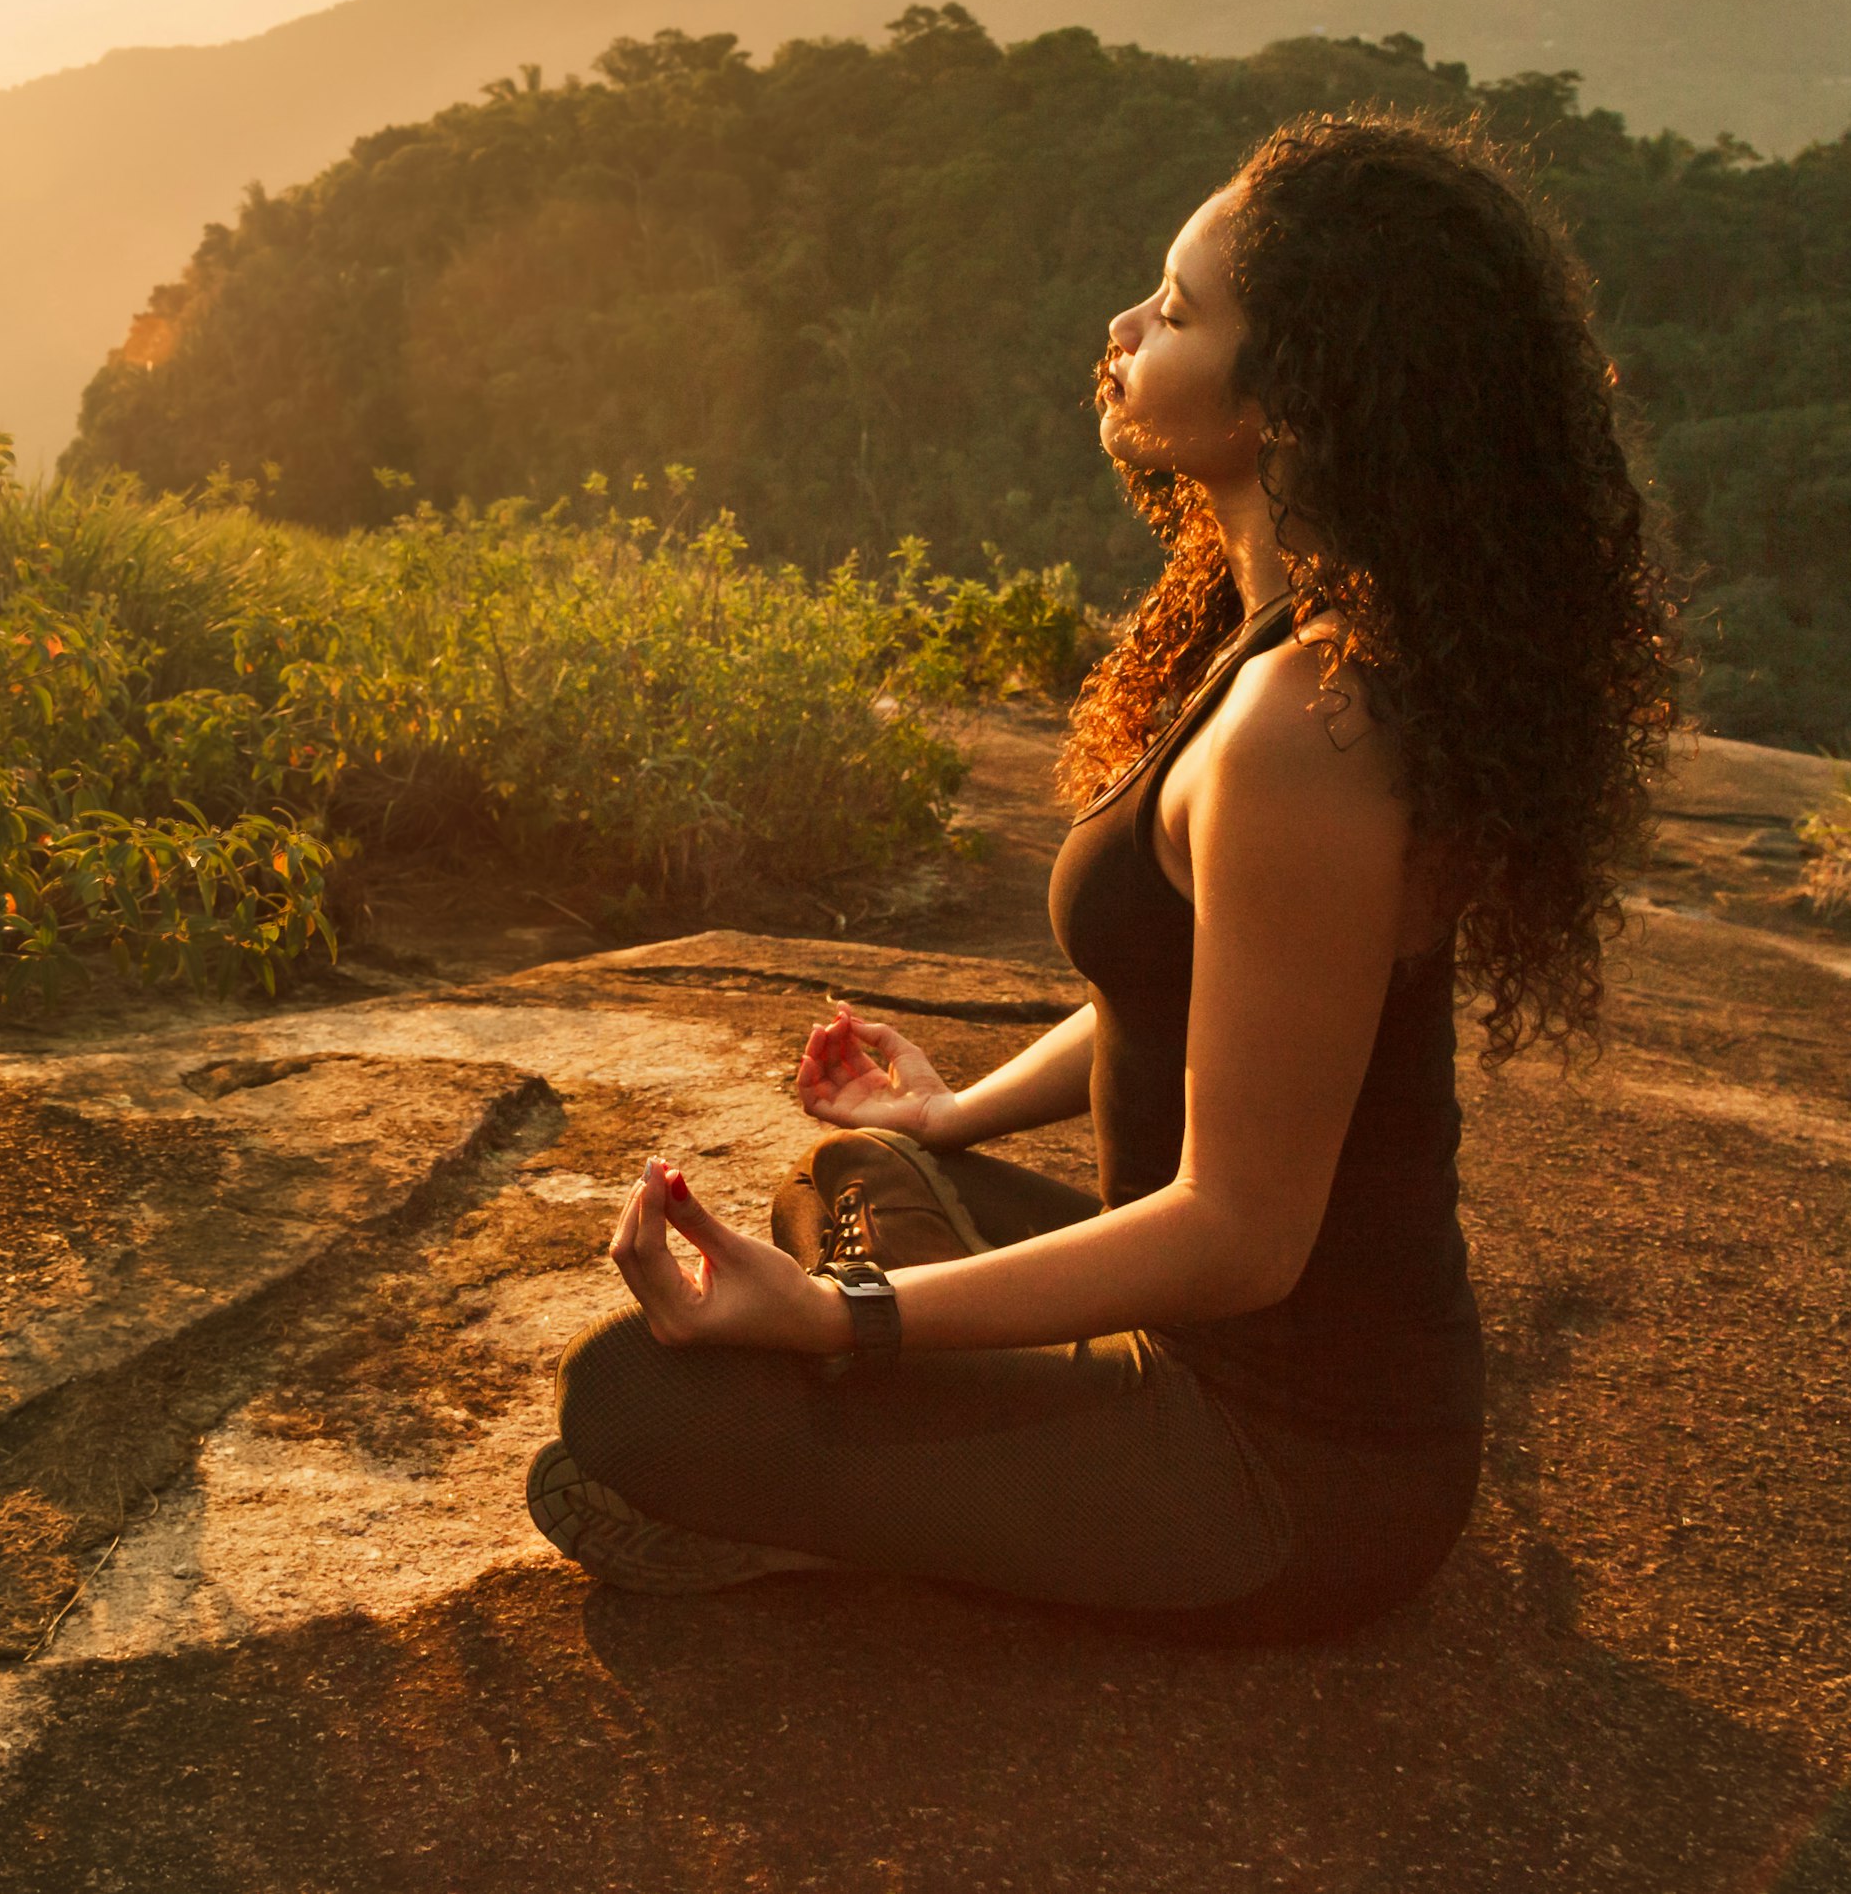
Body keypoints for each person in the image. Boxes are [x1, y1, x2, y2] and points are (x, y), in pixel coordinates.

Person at [526, 112, 1676, 1642]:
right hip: (1181, 1347)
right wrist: (952, 1109)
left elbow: (1240, 1234)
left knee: (630, 1406)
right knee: (857, 1172)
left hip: (1289, 1472)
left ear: (1295, 397)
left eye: (1181, 311)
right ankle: (906, 1468)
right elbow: (1199, 992)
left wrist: (842, 1318)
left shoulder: (1313, 732)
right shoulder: (1264, 635)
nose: (1126, 329)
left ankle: (880, 1504)